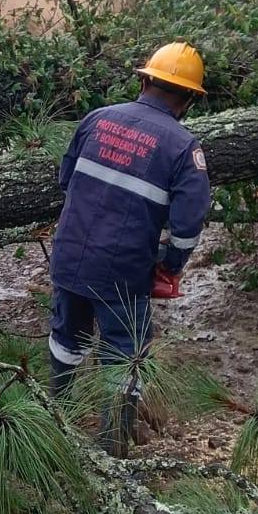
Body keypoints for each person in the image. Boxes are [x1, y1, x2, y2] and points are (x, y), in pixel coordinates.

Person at [49, 41, 212, 452]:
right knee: (125, 356)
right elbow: (188, 225)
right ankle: (112, 445)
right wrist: (171, 265)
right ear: (189, 97)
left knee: (66, 339)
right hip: (123, 272)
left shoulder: (97, 119)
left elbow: (66, 181)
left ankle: (55, 423)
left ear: (144, 80)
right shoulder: (183, 148)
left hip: (69, 255)